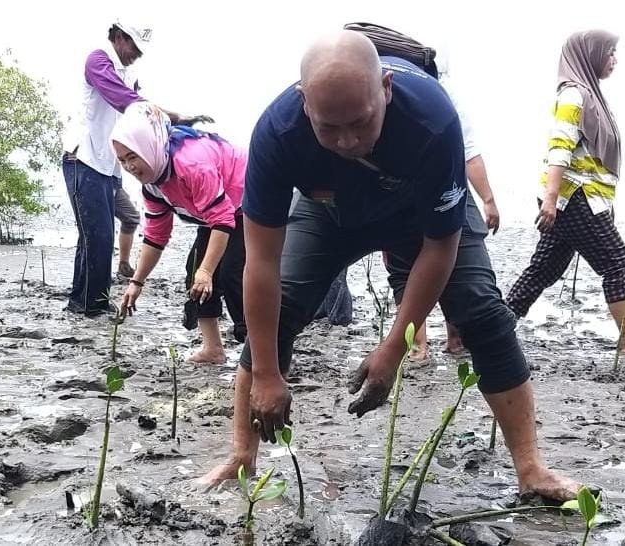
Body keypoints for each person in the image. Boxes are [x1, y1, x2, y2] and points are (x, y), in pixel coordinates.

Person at [202, 31, 579, 502]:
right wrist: (267, 375)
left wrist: (394, 347)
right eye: (328, 128)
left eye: (361, 123)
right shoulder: (278, 134)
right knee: (284, 308)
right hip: (329, 210)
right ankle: (242, 457)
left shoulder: (432, 120)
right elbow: (261, 262)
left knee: (481, 313)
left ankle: (531, 469)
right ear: (304, 105)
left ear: (386, 88)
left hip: (420, 213)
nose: (347, 141)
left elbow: (440, 247)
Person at [62, 20, 209, 316]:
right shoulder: (98, 59)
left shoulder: (130, 72)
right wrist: (175, 117)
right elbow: (126, 102)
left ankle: (82, 302)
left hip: (107, 164)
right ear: (119, 36)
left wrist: (176, 123)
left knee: (94, 235)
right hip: (83, 159)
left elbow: (138, 110)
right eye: (135, 47)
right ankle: (94, 306)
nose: (137, 55)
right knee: (99, 236)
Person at [506, 30, 625, 350]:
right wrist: (550, 201)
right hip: (573, 198)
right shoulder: (574, 95)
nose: (614, 60)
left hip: (577, 199)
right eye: (609, 52)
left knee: (543, 270)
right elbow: (559, 148)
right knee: (617, 263)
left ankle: (495, 328)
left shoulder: (591, 97)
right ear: (589, 54)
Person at [113, 102, 247, 363]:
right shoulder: (152, 185)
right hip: (216, 214)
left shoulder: (191, 163)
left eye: (133, 157)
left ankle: (257, 356)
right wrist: (136, 282)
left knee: (234, 275)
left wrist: (208, 272)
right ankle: (213, 349)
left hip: (248, 200)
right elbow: (156, 236)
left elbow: (222, 219)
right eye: (122, 161)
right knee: (193, 272)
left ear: (149, 147)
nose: (129, 167)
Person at [387, 66, 501, 360]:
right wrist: (488, 200)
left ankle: (418, 348)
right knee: (453, 266)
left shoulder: (389, 94)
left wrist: (488, 199)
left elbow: (469, 153)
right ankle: (446, 342)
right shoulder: (440, 96)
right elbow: (469, 153)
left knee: (407, 269)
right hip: (442, 190)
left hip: (401, 194)